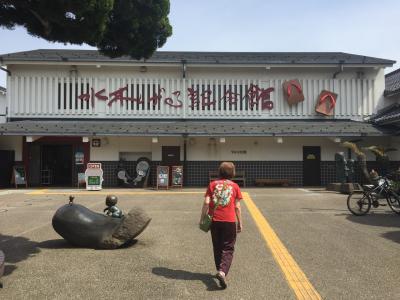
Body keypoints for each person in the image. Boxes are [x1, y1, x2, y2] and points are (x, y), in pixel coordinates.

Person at [199, 162, 243, 289]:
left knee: (217, 246)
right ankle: (222, 272)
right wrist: (240, 222)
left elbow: (206, 203)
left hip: (214, 220)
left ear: (220, 172)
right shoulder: (235, 186)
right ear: (232, 173)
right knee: (228, 247)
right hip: (229, 221)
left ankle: (219, 269)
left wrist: (202, 219)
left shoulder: (212, 184)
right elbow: (237, 206)